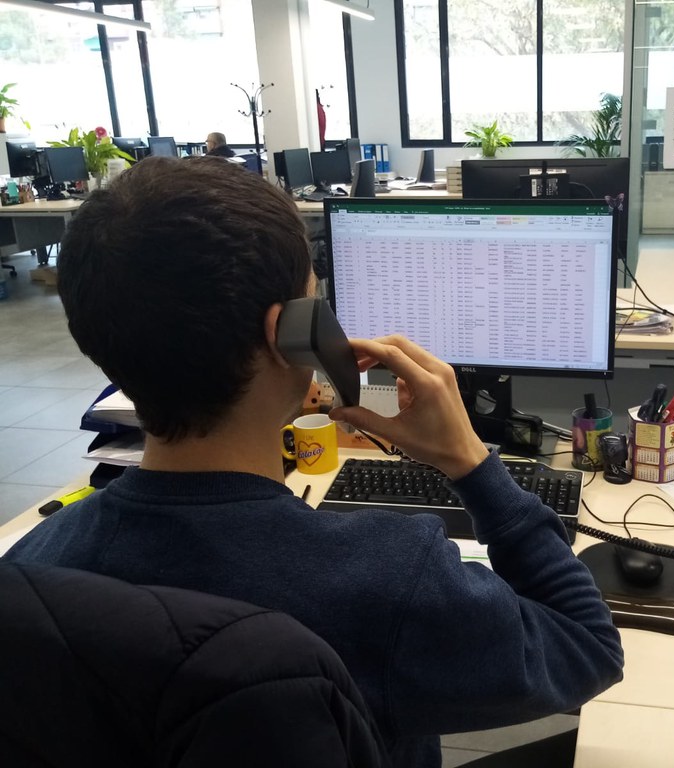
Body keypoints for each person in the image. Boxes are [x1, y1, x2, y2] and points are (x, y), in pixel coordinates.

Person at [4, 156, 624, 767]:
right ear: (286, 333)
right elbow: (587, 646)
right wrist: (470, 462)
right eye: (315, 300)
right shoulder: (390, 578)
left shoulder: (33, 568)